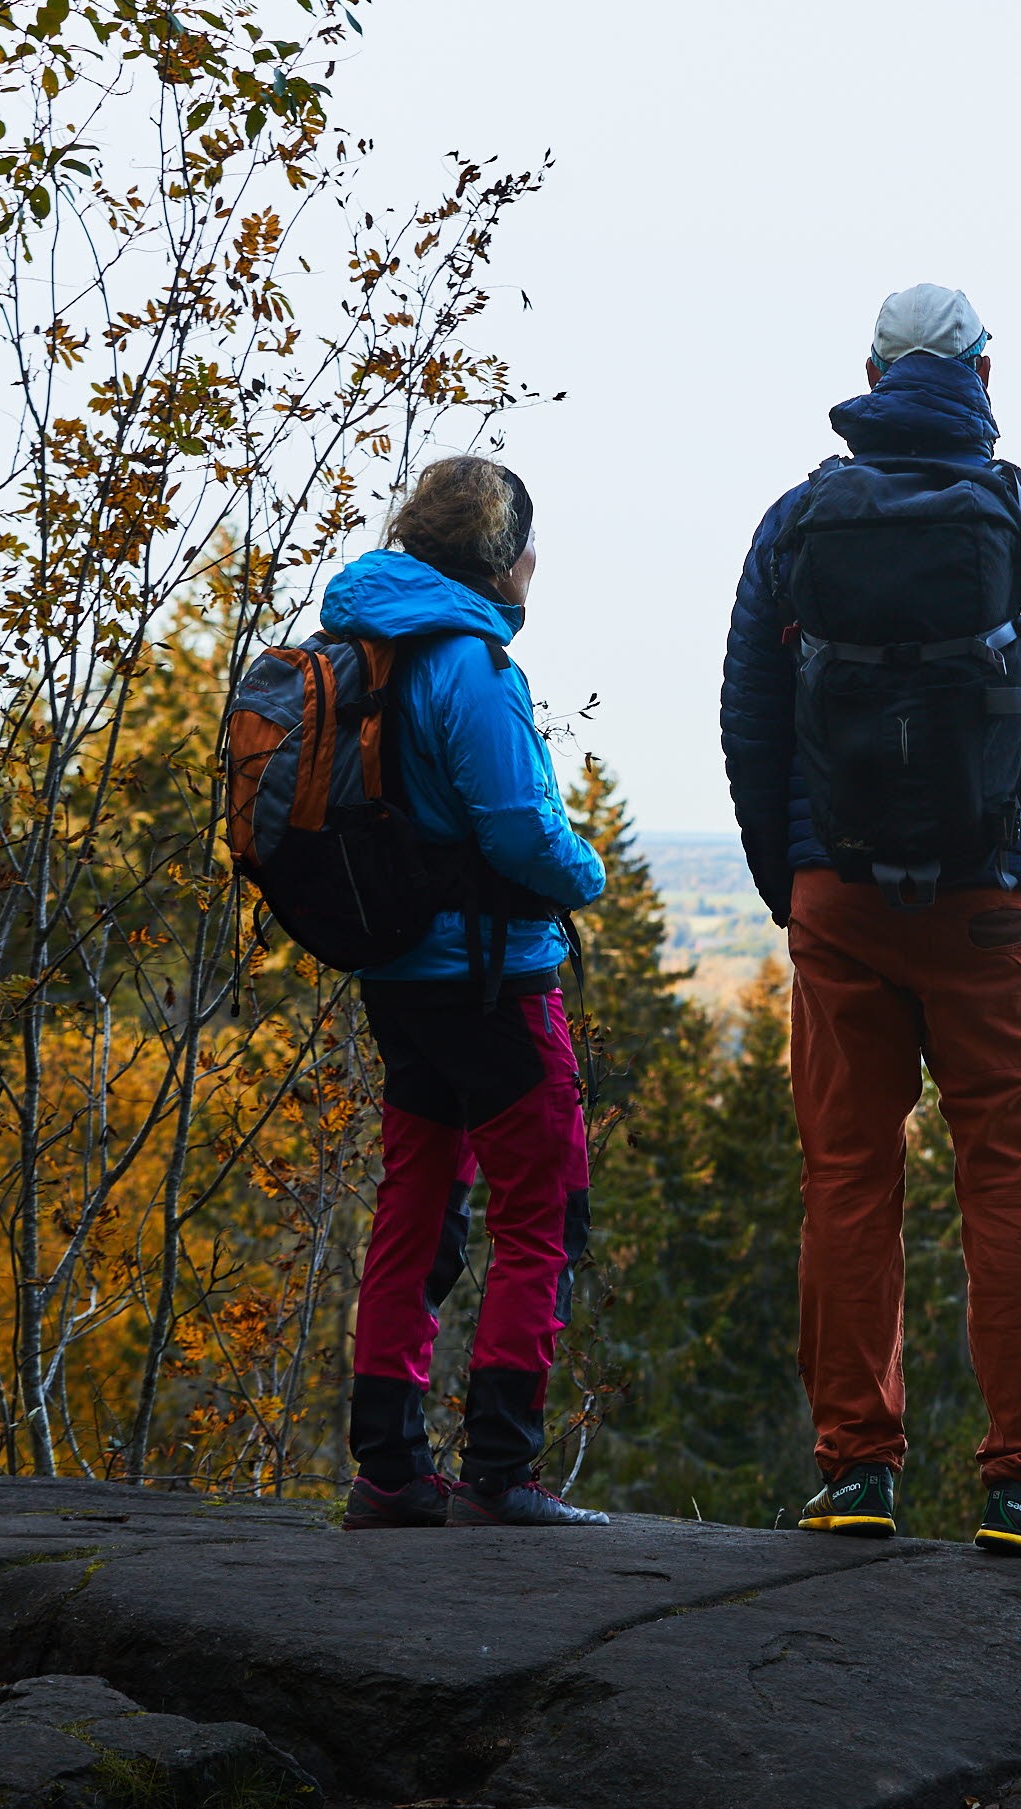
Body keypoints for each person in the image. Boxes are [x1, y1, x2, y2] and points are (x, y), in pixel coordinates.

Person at [719, 285, 1021, 1559]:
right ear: (985, 375)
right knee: (1011, 1191)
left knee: (848, 1181)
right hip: (1001, 903)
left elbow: (748, 721)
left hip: (837, 899)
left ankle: (854, 1470)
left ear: (871, 372)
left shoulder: (793, 524)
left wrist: (793, 885)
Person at [325, 455, 611, 1529]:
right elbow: (519, 830)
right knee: (541, 1209)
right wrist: (587, 872)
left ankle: (389, 1468)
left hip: (397, 976)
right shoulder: (473, 664)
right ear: (501, 556)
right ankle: (501, 1466)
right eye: (527, 541)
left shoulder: (362, 641)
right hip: (493, 977)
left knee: (416, 1201)